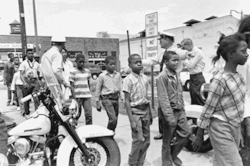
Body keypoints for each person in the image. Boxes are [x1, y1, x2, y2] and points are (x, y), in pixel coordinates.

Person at [192, 33, 248, 166]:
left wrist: (239, 131)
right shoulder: (220, 80)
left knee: (221, 162)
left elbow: (239, 106)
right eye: (243, 51)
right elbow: (208, 109)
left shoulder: (239, 77)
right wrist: (199, 135)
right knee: (234, 163)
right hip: (220, 127)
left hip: (234, 126)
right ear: (231, 54)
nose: (247, 54)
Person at [142, 32, 190, 140]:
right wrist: (139, 61)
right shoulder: (162, 53)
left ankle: (172, 132)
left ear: (168, 40)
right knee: (162, 106)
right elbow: (151, 61)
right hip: (163, 81)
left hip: (172, 82)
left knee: (172, 107)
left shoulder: (176, 51)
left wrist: (187, 53)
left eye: (161, 40)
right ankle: (163, 132)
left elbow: (183, 54)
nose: (160, 42)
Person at [156, 51, 191, 166]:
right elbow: (163, 98)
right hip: (168, 111)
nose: (176, 62)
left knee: (186, 132)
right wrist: (169, 117)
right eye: (174, 60)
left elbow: (179, 93)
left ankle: (173, 154)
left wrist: (183, 109)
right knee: (167, 139)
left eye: (177, 60)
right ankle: (166, 162)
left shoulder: (176, 74)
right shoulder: (162, 77)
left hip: (179, 110)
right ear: (165, 62)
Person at [123, 54, 153, 166]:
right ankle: (132, 162)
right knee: (138, 140)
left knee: (147, 141)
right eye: (136, 62)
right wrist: (131, 121)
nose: (139, 64)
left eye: (140, 61)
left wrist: (150, 113)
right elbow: (126, 101)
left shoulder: (144, 78)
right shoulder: (128, 80)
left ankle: (140, 161)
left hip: (145, 111)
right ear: (129, 65)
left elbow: (147, 98)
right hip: (135, 112)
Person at [95, 56, 122, 131]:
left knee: (115, 119)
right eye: (111, 64)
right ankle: (108, 135)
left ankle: (111, 134)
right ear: (106, 65)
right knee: (113, 119)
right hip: (106, 99)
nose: (113, 66)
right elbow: (98, 89)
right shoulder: (102, 76)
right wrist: (97, 102)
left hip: (115, 98)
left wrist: (122, 98)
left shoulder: (118, 75)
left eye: (114, 64)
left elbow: (120, 87)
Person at [181, 38, 206, 105]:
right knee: (193, 98)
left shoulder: (198, 52)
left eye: (184, 47)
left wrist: (184, 59)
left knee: (199, 98)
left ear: (188, 45)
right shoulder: (189, 53)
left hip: (197, 77)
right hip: (192, 76)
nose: (183, 49)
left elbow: (190, 66)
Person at [69, 53, 92, 125]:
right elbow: (71, 85)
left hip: (87, 96)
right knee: (76, 114)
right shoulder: (73, 71)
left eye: (83, 62)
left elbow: (88, 83)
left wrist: (88, 91)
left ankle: (89, 130)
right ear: (76, 62)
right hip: (77, 96)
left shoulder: (87, 71)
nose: (82, 63)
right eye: (80, 62)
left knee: (89, 115)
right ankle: (73, 130)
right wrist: (74, 97)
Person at [19, 49, 41, 117]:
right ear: (27, 54)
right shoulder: (24, 63)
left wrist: (39, 83)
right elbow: (21, 74)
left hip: (35, 81)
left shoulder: (37, 64)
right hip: (27, 81)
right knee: (27, 98)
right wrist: (24, 82)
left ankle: (37, 112)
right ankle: (27, 112)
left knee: (36, 97)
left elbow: (39, 74)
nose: (31, 55)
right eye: (29, 53)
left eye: (32, 53)